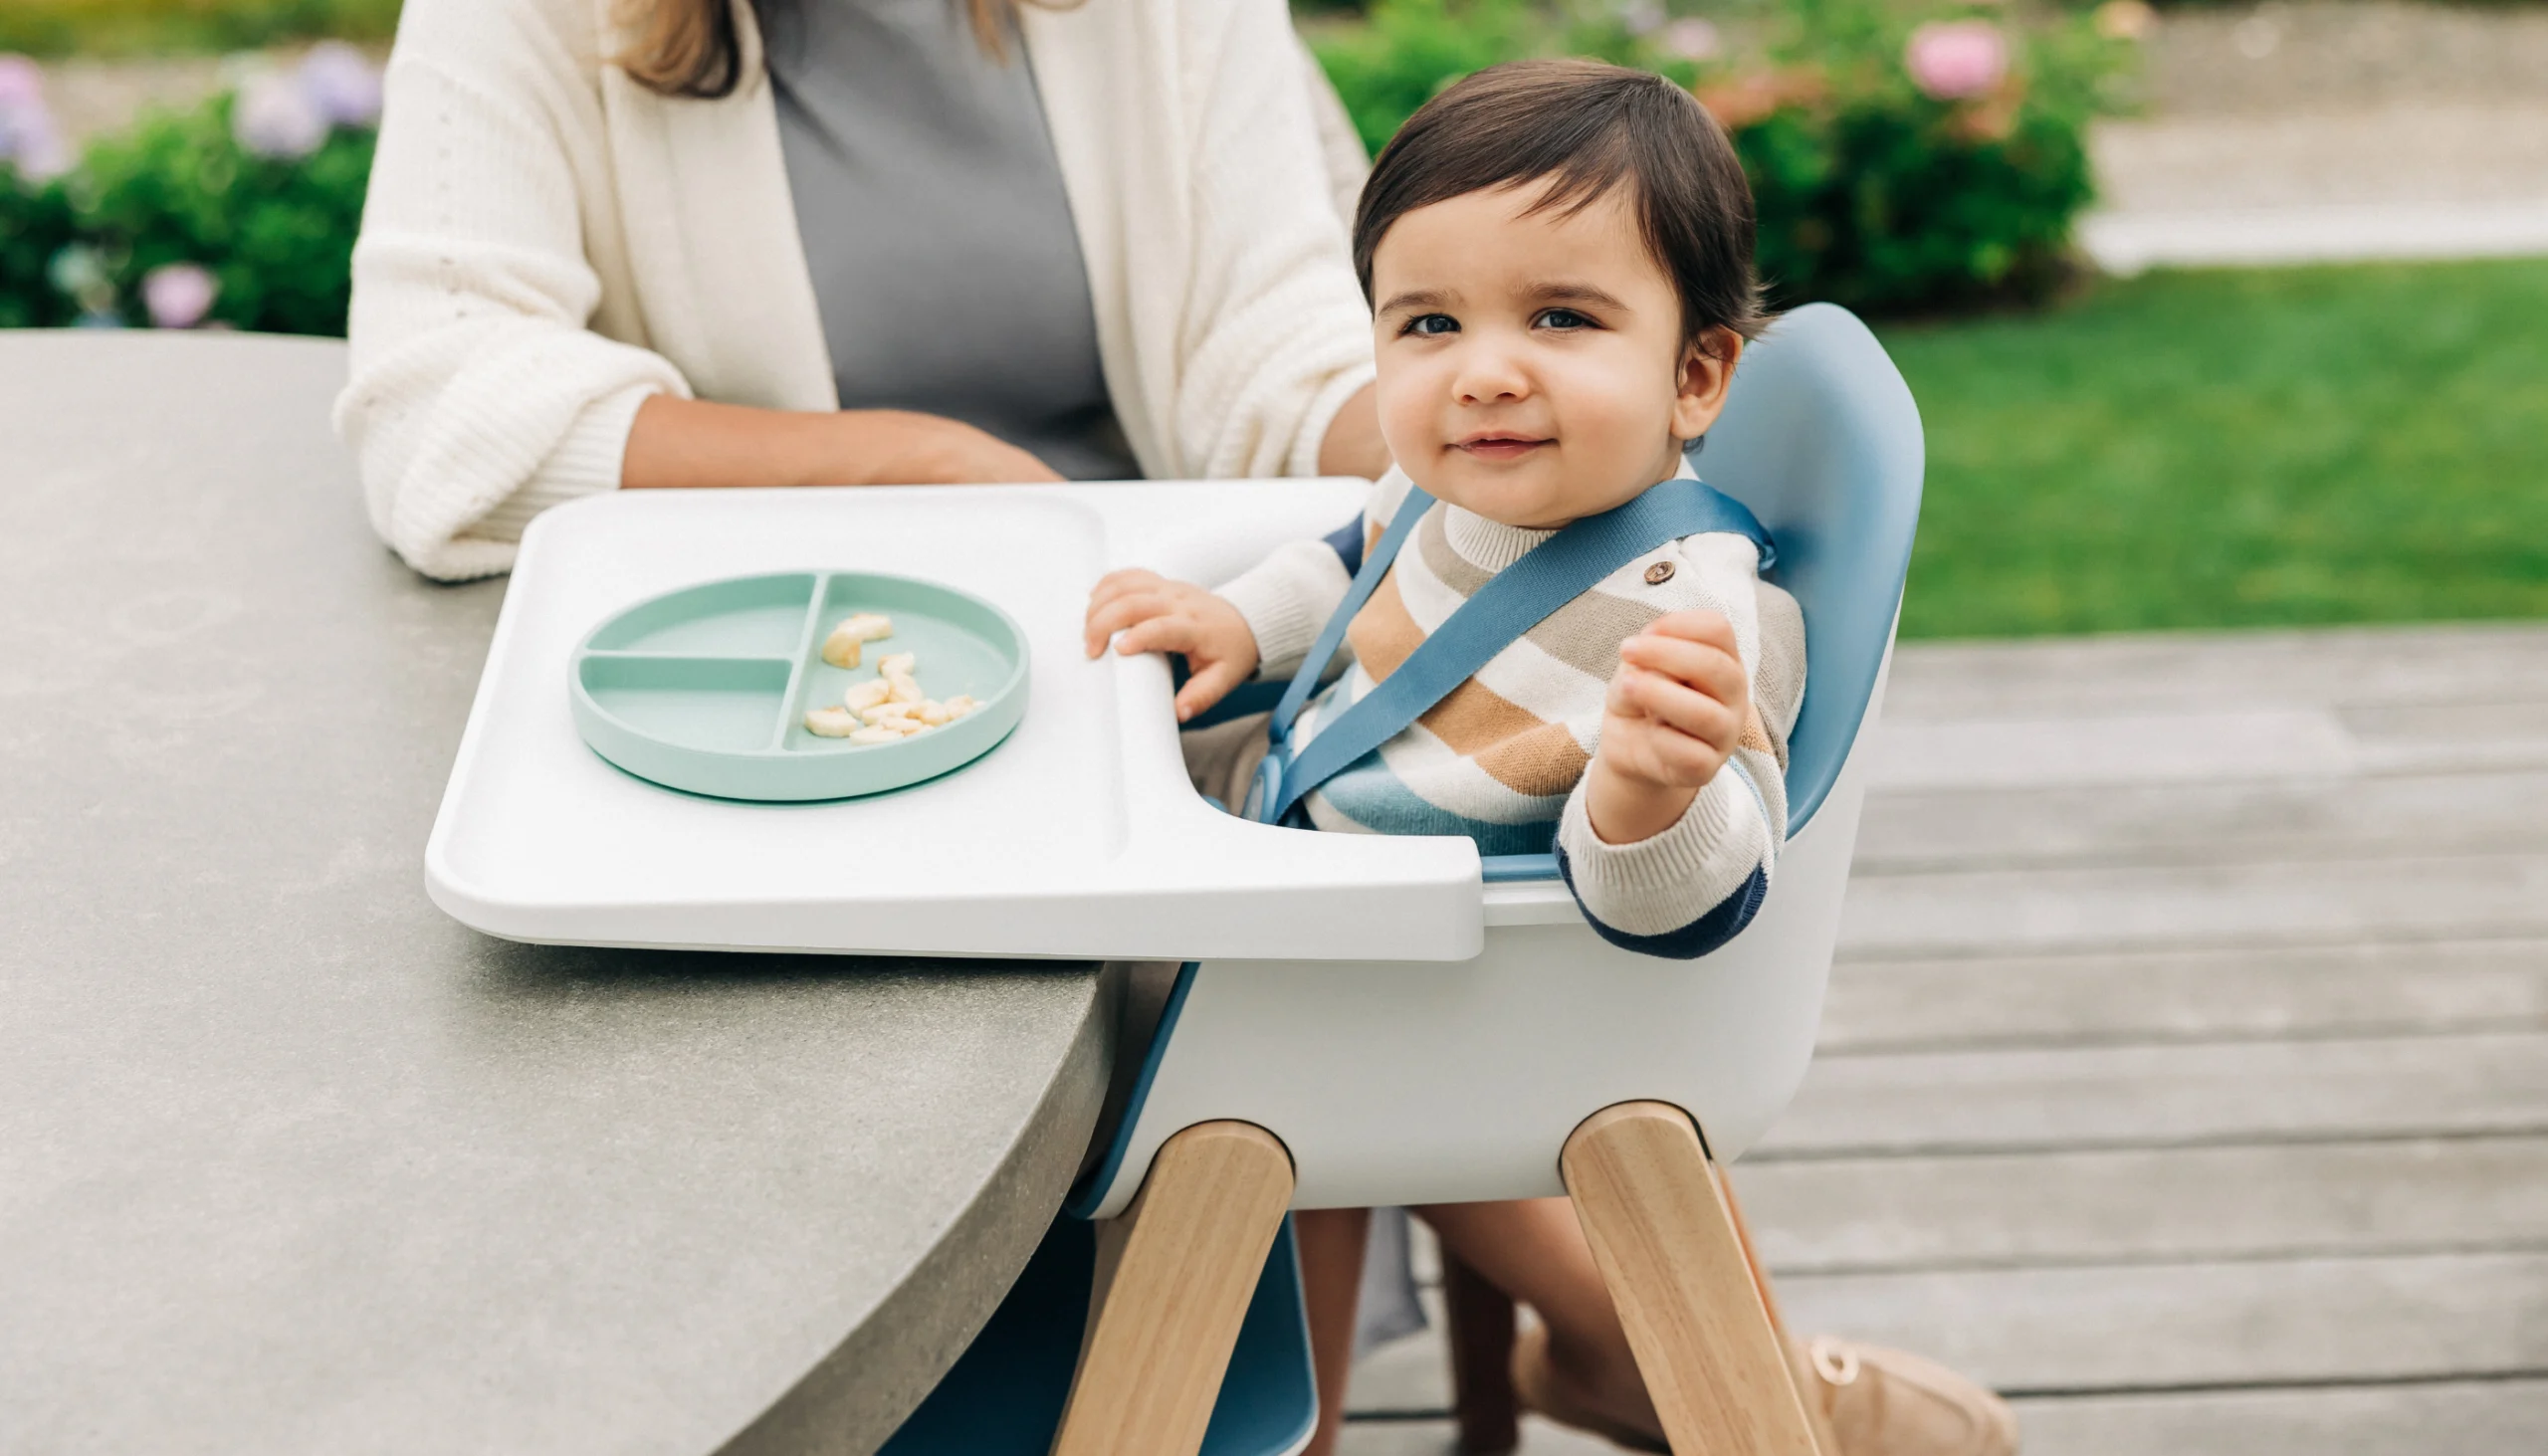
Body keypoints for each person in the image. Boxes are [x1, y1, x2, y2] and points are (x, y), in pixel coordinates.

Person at [1084, 60, 2018, 1456]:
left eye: (1562, 316)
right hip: (1320, 932)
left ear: (1697, 372)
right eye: (1429, 323)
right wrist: (1242, 622)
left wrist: (1650, 789)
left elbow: (1696, 906)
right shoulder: (1449, 486)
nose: (1485, 367)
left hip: (1459, 1004)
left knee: (1081, 1042)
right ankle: (1316, 1415)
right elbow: (1356, 565)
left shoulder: (1696, 626)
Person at [334, 0, 1387, 580]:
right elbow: (435, 410)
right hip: (780, 695)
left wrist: (1478, 431)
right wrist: (912, 466)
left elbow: (1279, 346)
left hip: (1151, 654)